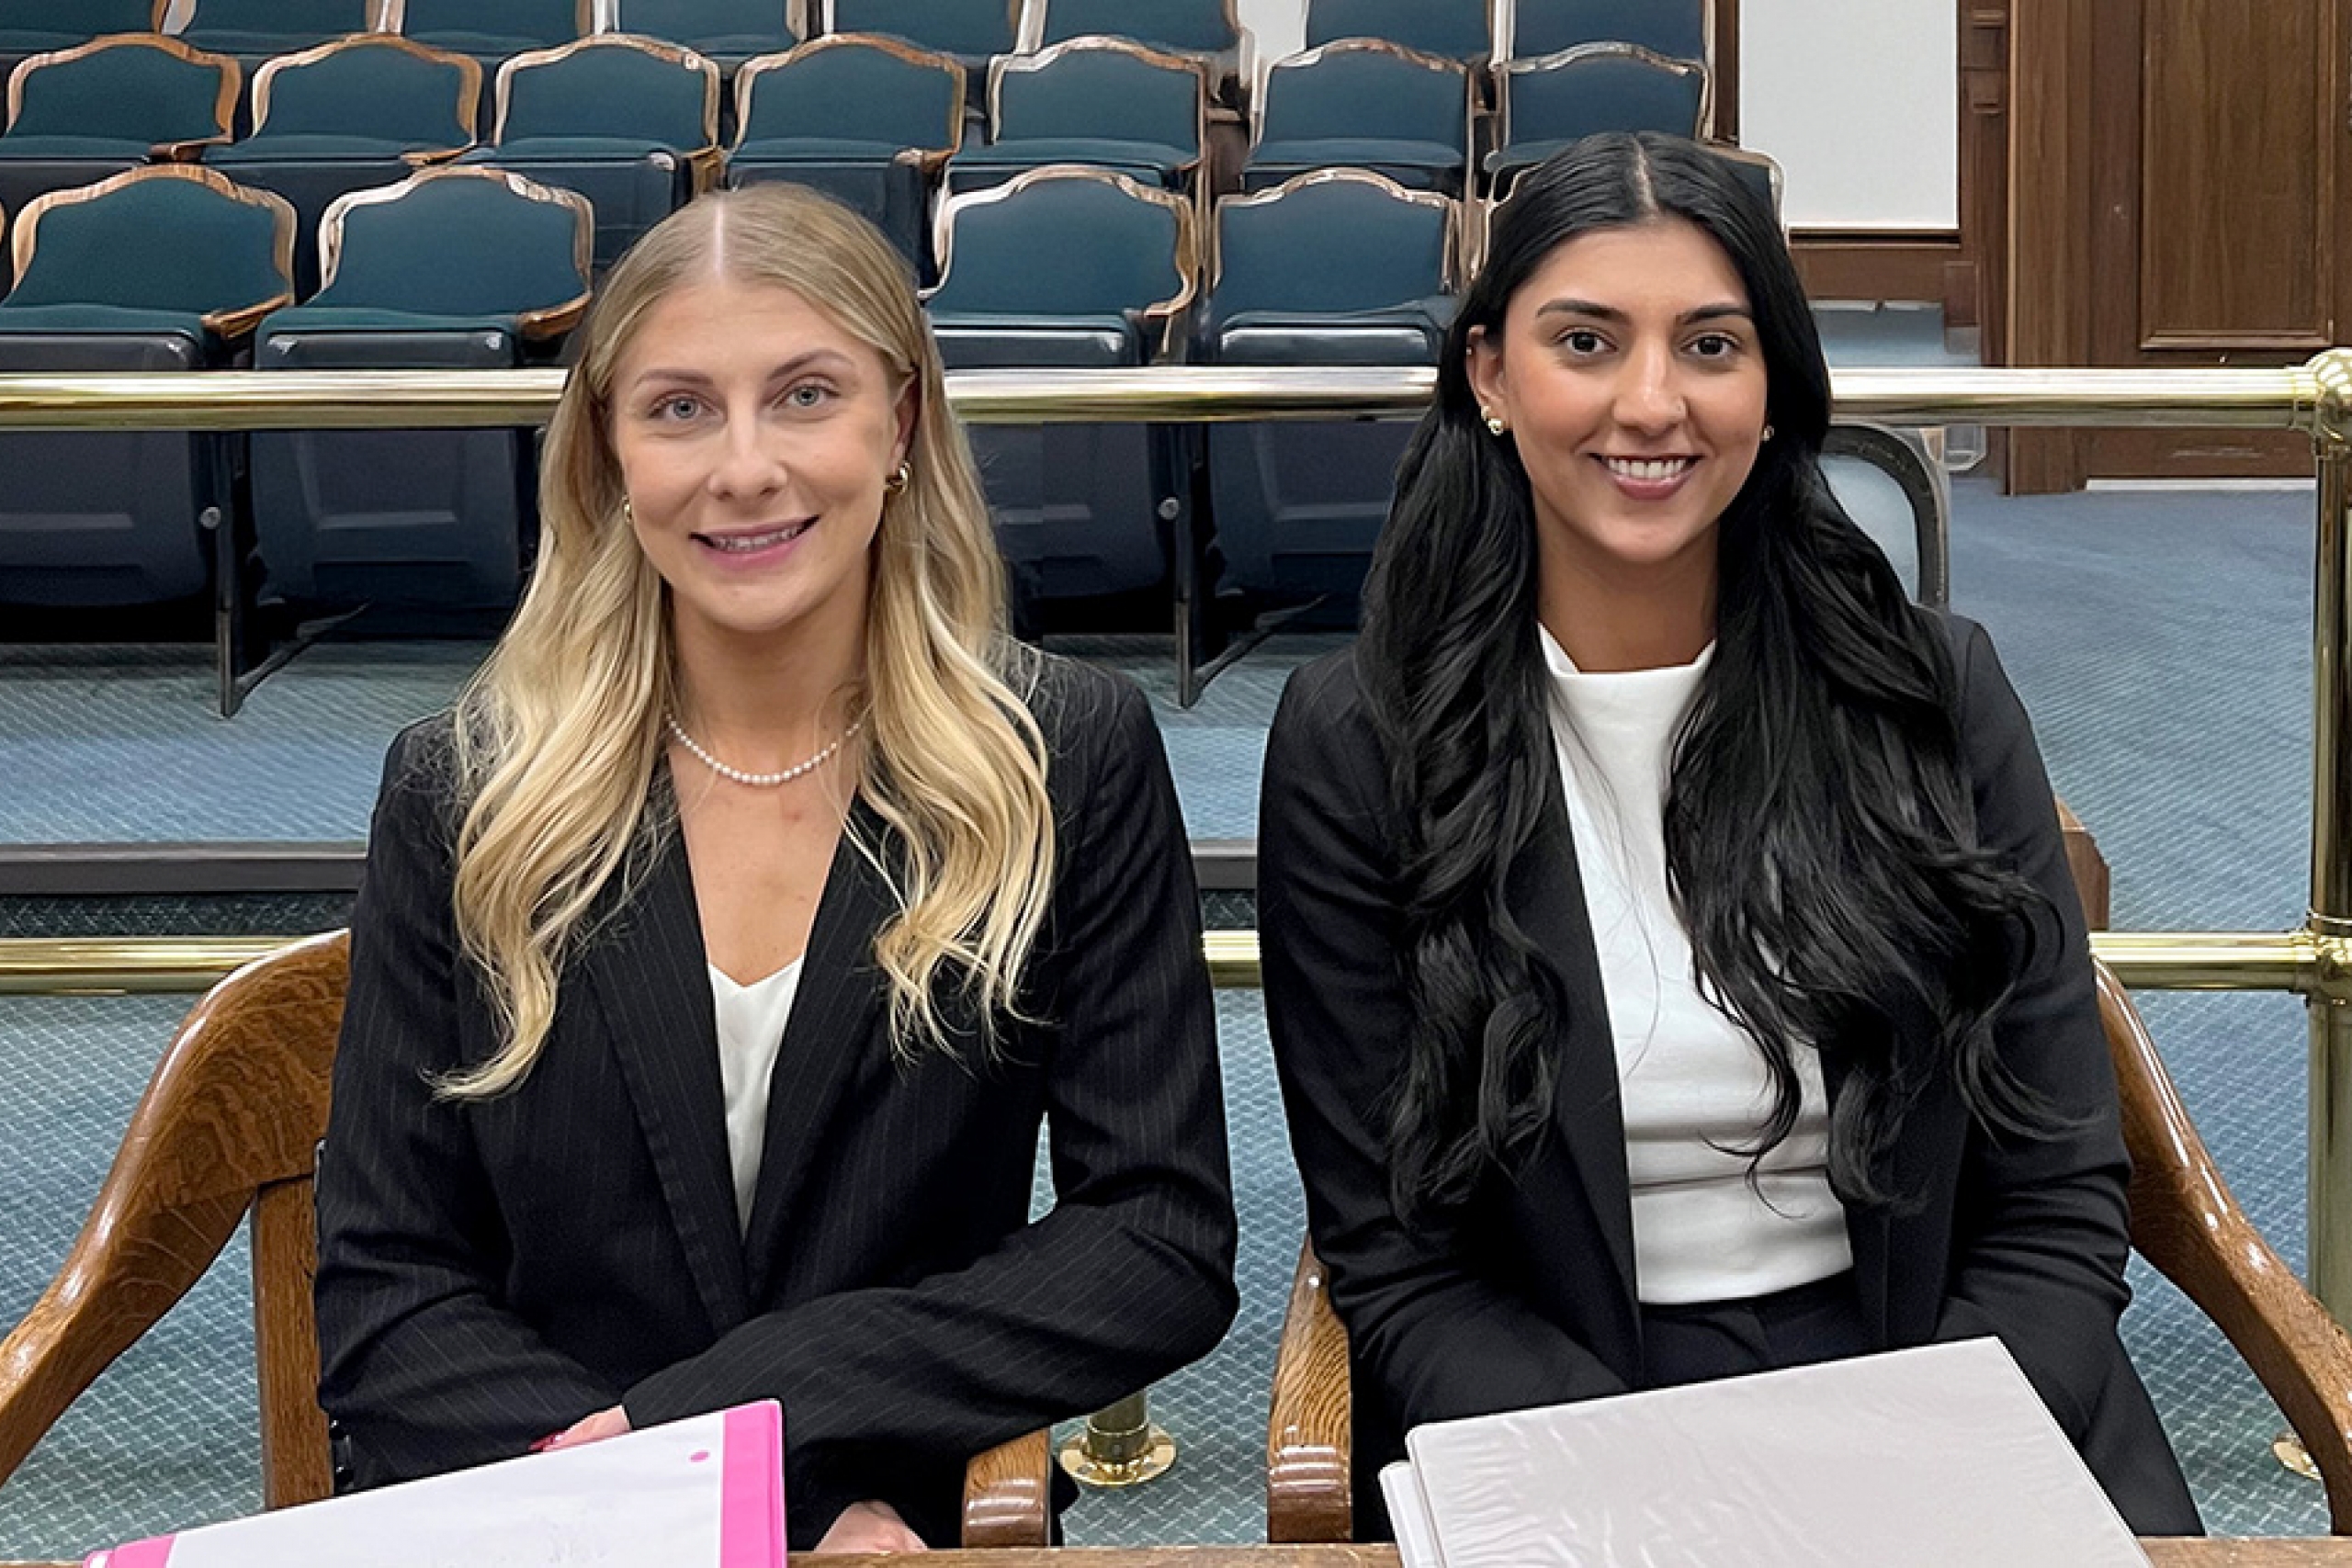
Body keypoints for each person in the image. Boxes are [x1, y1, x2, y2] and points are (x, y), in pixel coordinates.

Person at [1259, 132, 2200, 1537]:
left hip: (1948, 1377)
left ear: (1772, 391)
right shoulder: (1358, 745)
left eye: (1711, 344)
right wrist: (1673, 1498)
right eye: (1585, 341)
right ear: (1490, 378)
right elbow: (1399, 1260)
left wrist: (1899, 1469)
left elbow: (2057, 1188)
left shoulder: (1933, 696)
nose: (1653, 403)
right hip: (1555, 1409)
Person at [313, 184, 1238, 1554]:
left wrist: (773, 1412)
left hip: (907, 1515)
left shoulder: (1065, 756)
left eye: (807, 395)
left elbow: (1154, 1240)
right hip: (548, 1510)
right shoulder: (464, 789)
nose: (743, 467)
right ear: (608, 455)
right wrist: (738, 1502)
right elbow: (389, 1291)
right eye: (679, 408)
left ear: (903, 422)